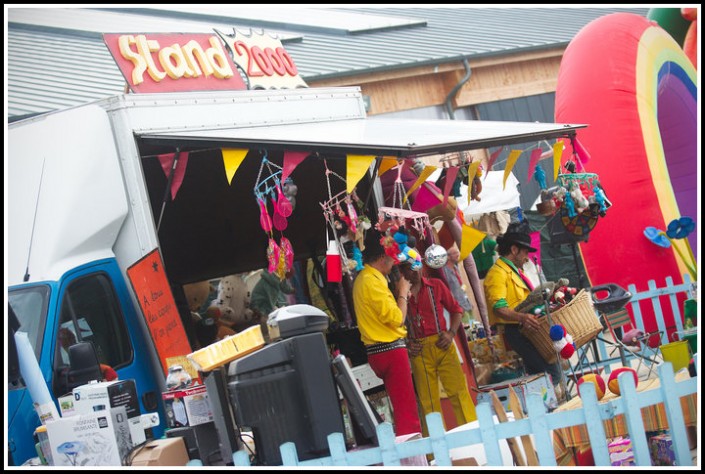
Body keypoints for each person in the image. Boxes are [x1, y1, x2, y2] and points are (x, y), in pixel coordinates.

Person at [352, 228, 421, 436]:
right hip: (390, 351)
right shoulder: (371, 281)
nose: (395, 262)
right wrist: (402, 293)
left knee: (403, 410)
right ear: (383, 256)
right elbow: (397, 318)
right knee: (407, 413)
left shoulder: (368, 279)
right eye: (393, 257)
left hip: (380, 351)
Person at [400, 258, 477, 436]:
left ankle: (473, 438)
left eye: (418, 266)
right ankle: (434, 451)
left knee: (459, 393)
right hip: (418, 350)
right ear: (403, 271)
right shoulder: (400, 294)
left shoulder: (436, 285)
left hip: (442, 345)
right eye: (411, 268)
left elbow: (457, 310)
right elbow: (394, 323)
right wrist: (406, 343)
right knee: (428, 401)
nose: (416, 271)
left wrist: (450, 333)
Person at [483, 225, 563, 389]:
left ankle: (545, 407)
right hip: (518, 331)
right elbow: (499, 308)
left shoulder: (515, 272)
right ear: (514, 249)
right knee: (550, 373)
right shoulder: (497, 273)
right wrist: (522, 317)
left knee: (543, 373)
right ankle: (550, 408)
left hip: (530, 329)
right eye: (525, 252)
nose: (527, 258)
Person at [440, 244, 474, 326]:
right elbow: (447, 290)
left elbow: (461, 284)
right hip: (459, 307)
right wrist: (457, 306)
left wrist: (468, 300)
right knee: (466, 329)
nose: (458, 254)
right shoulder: (445, 271)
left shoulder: (456, 268)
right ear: (448, 257)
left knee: (473, 327)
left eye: (457, 252)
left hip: (466, 303)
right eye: (454, 253)